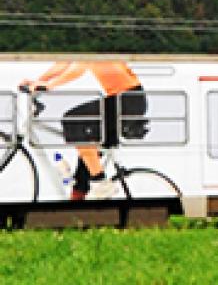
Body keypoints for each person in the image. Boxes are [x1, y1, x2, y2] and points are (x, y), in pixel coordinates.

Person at [19, 61, 147, 201]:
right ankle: (76, 209)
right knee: (85, 166)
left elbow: (78, 69)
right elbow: (64, 63)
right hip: (121, 100)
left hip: (128, 100)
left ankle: (101, 183)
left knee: (73, 120)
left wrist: (49, 85)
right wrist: (38, 82)